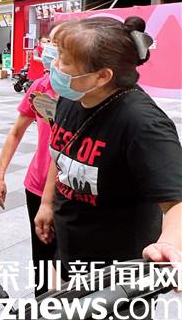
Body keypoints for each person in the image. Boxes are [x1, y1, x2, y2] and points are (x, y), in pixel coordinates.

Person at [34, 17, 182, 283]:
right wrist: (46, 203)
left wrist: (169, 244)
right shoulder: (72, 97)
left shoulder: (143, 123)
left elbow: (177, 202)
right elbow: (60, 154)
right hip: (68, 254)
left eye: (64, 60)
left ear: (102, 76)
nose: (54, 65)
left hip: (117, 276)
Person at [0, 28, 59, 296]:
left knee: (67, 263)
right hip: (37, 184)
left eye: (58, 43)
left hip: (69, 192)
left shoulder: (83, 93)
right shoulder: (40, 87)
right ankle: (42, 303)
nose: (51, 48)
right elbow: (16, 132)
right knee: (42, 258)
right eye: (50, 41)